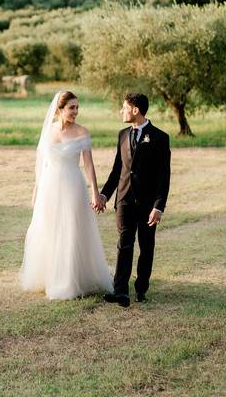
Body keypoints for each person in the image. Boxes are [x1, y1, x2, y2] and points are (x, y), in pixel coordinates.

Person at [19, 90, 113, 300]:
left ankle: (70, 280)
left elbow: (88, 165)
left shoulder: (82, 132)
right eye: (72, 108)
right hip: (49, 186)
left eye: (77, 107)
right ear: (59, 109)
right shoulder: (48, 131)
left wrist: (95, 192)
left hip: (73, 185)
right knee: (49, 229)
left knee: (71, 229)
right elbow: (41, 164)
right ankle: (49, 275)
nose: (76, 112)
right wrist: (36, 189)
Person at [94, 93, 171, 307]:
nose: (122, 111)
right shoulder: (122, 135)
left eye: (124, 107)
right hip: (124, 200)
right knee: (124, 244)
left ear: (135, 110)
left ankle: (141, 289)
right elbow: (117, 170)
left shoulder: (160, 137)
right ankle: (120, 291)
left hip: (148, 205)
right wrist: (104, 195)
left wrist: (159, 207)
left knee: (146, 247)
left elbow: (164, 177)